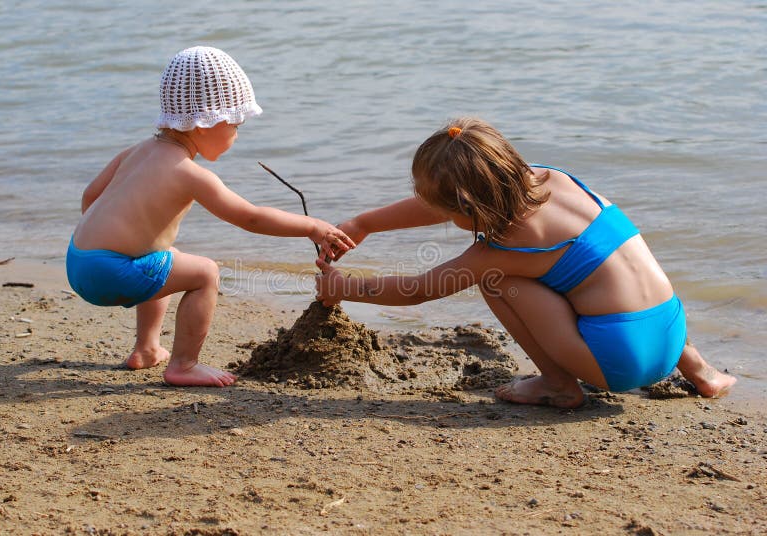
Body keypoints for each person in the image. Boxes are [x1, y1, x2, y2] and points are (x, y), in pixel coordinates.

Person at [315, 117, 735, 408]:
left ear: (466, 208)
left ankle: (558, 385)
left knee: (497, 281)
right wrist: (365, 223)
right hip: (670, 331)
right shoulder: (555, 179)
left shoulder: (498, 253)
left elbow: (420, 290)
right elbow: (451, 201)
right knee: (620, 272)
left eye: (445, 211)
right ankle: (703, 373)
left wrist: (344, 288)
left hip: (620, 363)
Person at [67, 46, 355, 388]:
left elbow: (90, 197)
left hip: (77, 259)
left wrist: (115, 242)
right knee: (205, 272)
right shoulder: (189, 173)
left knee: (166, 259)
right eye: (236, 123)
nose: (237, 132)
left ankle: (146, 349)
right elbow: (250, 218)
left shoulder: (136, 151)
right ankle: (184, 365)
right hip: (108, 272)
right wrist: (312, 226)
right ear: (206, 122)